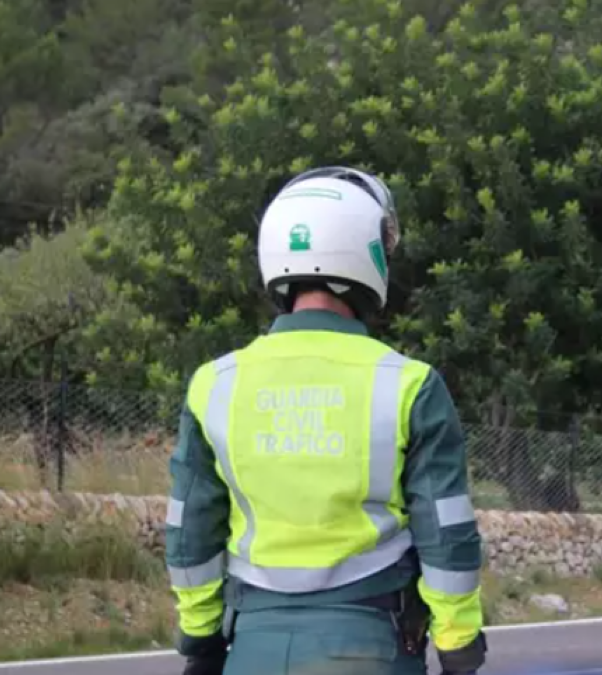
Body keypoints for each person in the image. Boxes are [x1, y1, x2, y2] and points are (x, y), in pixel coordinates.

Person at [163, 166, 487, 675]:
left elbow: (190, 529)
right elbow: (445, 532)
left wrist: (200, 639)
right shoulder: (409, 384)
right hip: (370, 648)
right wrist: (458, 645)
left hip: (252, 650)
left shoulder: (214, 385)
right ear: (367, 254)